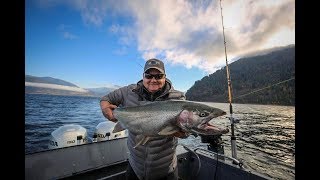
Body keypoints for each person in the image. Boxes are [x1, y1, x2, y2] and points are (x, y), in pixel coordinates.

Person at [100, 58, 188, 180]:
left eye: (158, 76)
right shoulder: (128, 91)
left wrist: (181, 130)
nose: (153, 80)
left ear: (165, 77)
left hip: (165, 168)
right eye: (149, 76)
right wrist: (107, 111)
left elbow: (185, 133)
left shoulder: (177, 98)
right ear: (143, 76)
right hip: (136, 166)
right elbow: (106, 99)